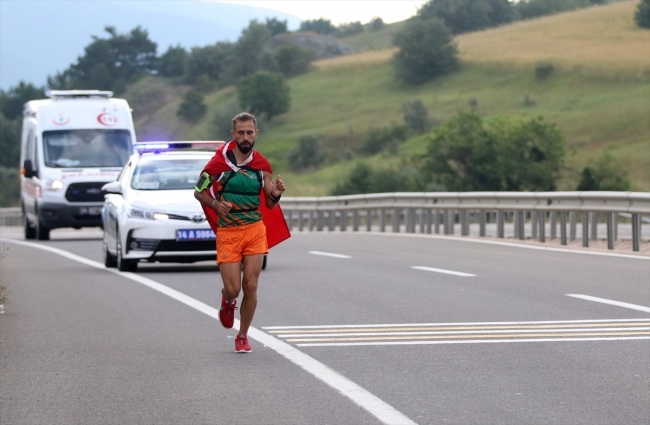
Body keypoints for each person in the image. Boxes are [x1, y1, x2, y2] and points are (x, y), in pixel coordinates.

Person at [194, 112, 289, 353]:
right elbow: (198, 192)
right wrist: (216, 204)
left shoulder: (262, 166)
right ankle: (227, 301)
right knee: (234, 288)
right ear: (233, 134)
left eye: (250, 132)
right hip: (228, 232)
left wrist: (277, 193)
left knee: (251, 285)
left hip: (255, 230)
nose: (245, 137)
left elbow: (268, 203)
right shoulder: (217, 164)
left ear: (256, 134)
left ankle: (243, 335)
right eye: (241, 132)